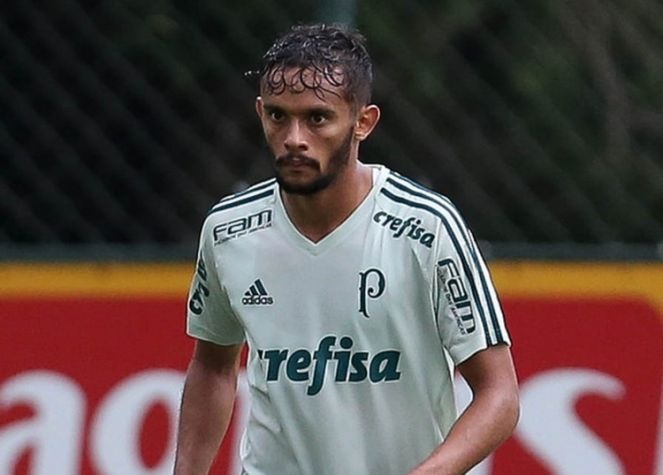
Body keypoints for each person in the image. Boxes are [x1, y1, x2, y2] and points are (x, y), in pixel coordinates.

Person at [174, 23, 519, 475]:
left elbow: (499, 394)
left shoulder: (427, 228)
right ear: (260, 112)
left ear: (363, 122)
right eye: (278, 116)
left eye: (317, 118)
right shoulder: (228, 230)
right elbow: (213, 368)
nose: (294, 137)